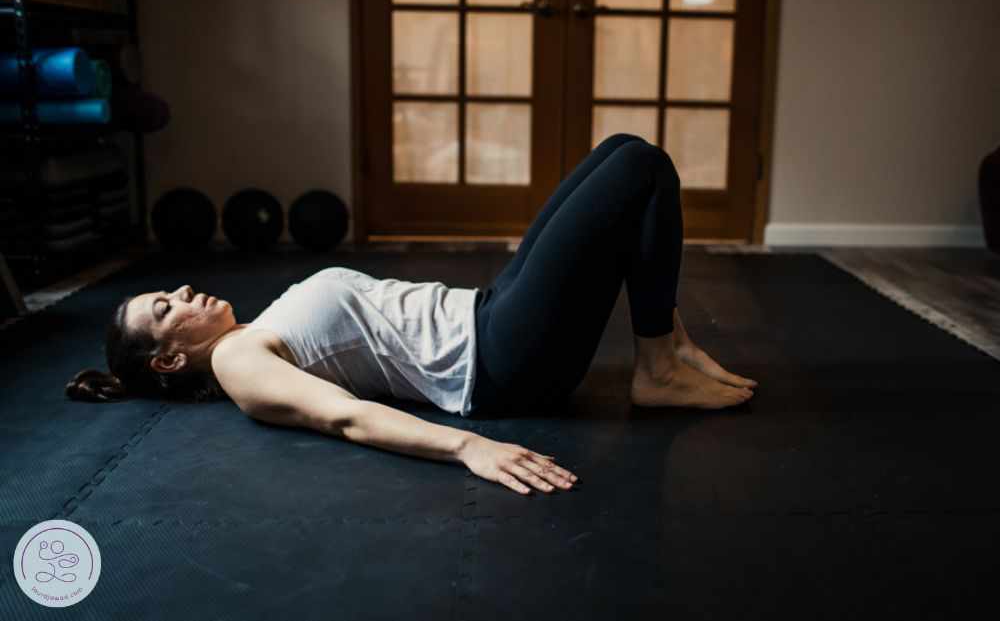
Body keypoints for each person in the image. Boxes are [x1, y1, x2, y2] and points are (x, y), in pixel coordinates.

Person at [66, 134, 758, 496]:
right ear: (167, 358)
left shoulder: (247, 334)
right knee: (638, 164)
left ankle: (668, 345)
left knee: (619, 153)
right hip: (500, 360)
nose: (185, 293)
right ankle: (658, 363)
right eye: (167, 308)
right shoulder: (236, 362)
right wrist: (469, 448)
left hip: (491, 310)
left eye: (174, 292)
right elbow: (343, 415)